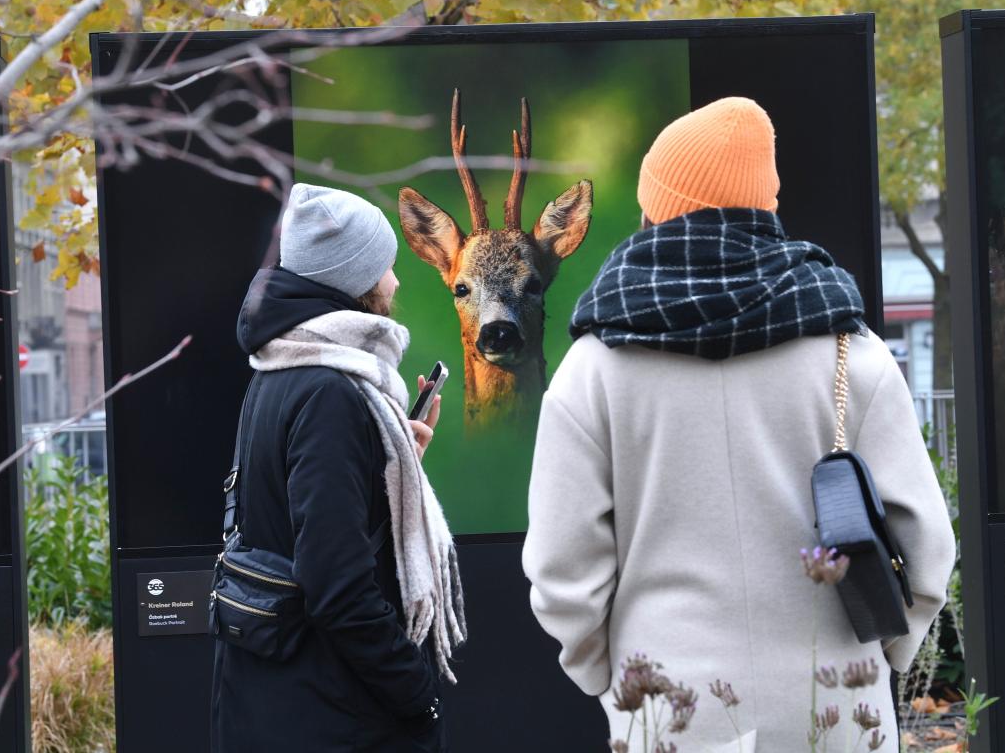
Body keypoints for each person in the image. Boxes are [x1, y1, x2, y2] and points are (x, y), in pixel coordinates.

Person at [522, 97, 956, 752]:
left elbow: (562, 573)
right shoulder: (850, 351)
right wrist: (884, 654)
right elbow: (928, 550)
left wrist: (606, 678)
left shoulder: (593, 371)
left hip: (671, 709)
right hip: (836, 704)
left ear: (654, 210)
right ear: (766, 210)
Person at [211, 183, 466, 753]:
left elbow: (291, 516)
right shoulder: (330, 393)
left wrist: (396, 460)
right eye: (386, 268)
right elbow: (338, 589)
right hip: (332, 714)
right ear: (352, 281)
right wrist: (416, 692)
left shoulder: (279, 367)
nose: (396, 282)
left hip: (277, 697)